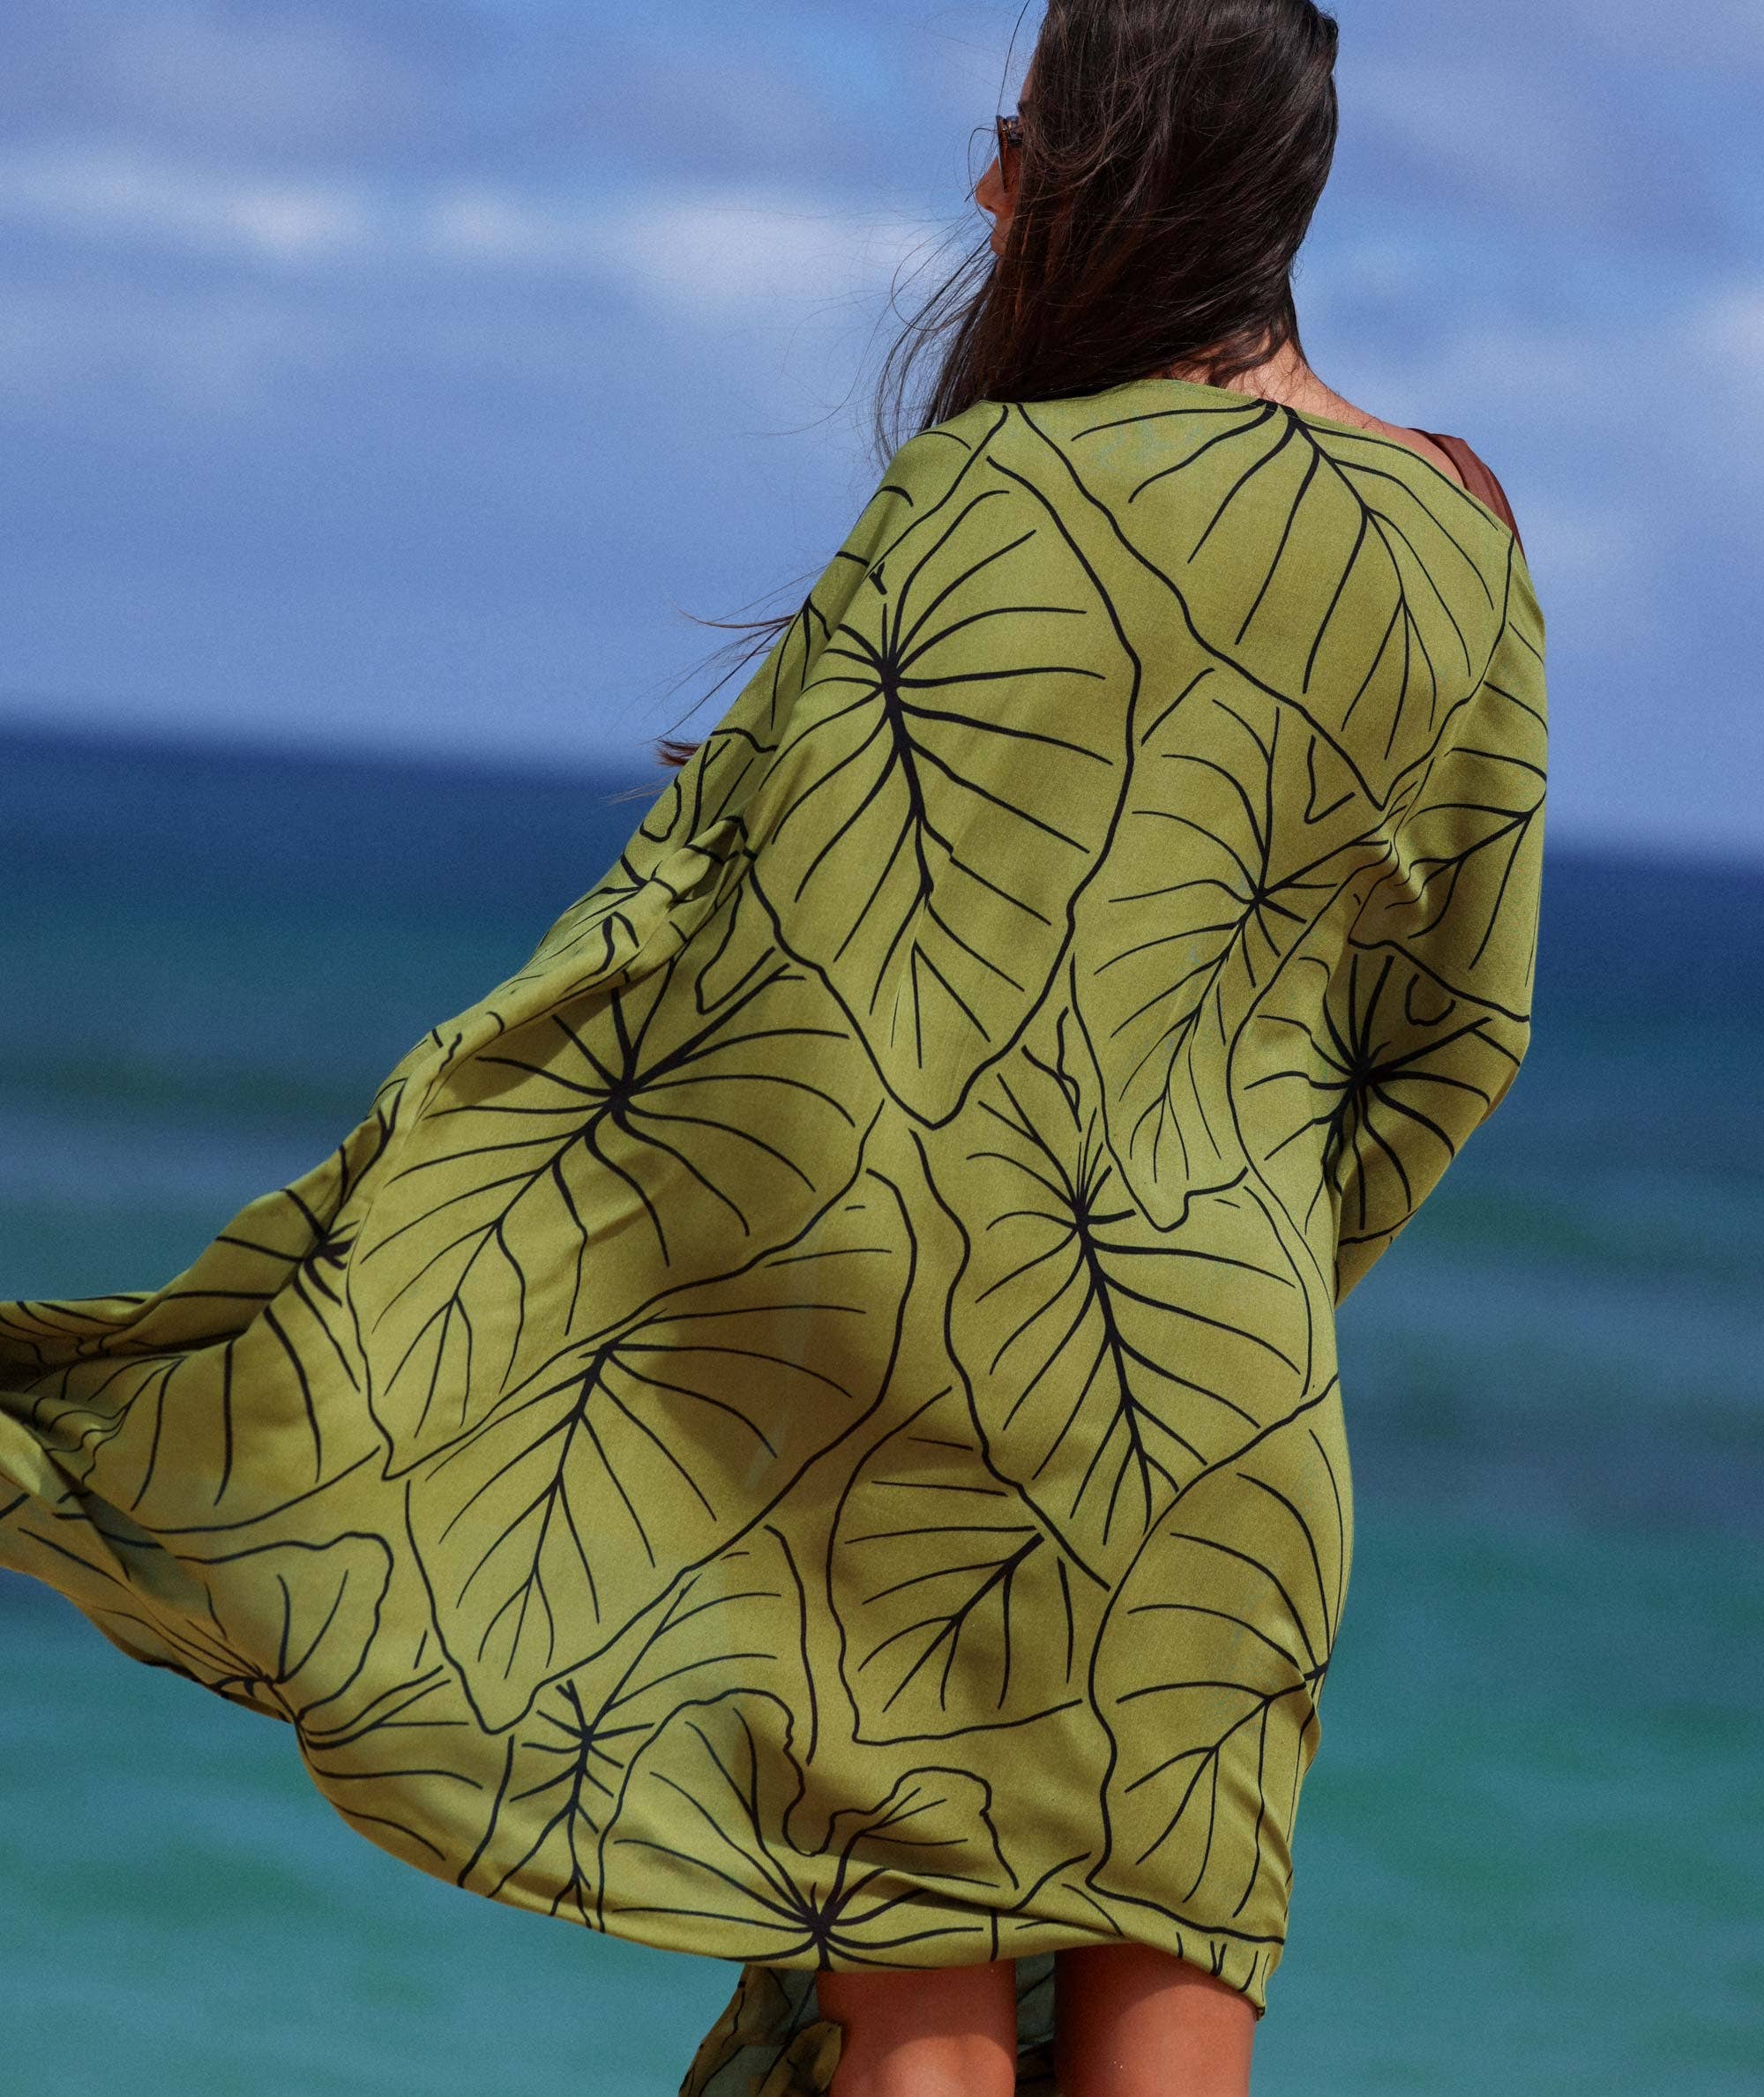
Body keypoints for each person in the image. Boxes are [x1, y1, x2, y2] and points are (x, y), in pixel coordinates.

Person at [0, 4, 1544, 2095]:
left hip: (926, 1377)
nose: (988, 184)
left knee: (916, 2033)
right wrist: (1252, 1268)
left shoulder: (997, 479)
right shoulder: (1457, 528)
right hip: (1225, 1391)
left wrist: (418, 1240)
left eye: (1020, 138)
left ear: (1114, 160)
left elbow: (723, 955)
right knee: (1177, 1990)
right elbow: (1451, 1037)